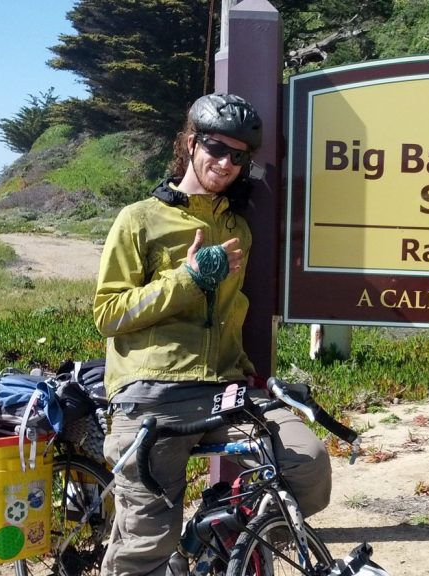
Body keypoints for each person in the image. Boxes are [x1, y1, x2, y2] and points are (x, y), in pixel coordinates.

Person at [93, 93, 331, 576]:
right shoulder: (139, 219)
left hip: (225, 390)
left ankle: (209, 542)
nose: (224, 162)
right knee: (146, 546)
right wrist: (189, 279)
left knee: (307, 465)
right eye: (214, 148)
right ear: (189, 142)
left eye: (237, 155)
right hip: (152, 395)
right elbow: (108, 313)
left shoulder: (238, 228)